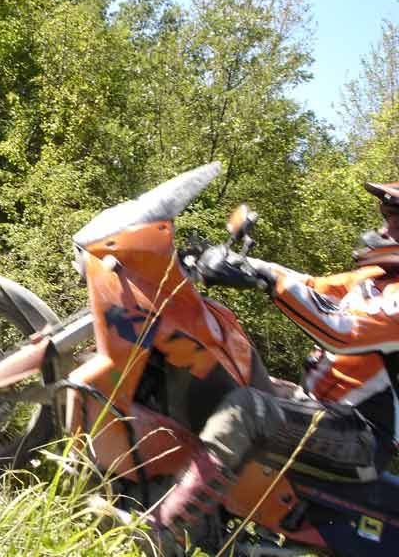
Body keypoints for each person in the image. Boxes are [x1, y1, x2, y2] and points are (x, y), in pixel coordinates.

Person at [143, 180, 399, 556]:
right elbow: (310, 286)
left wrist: (264, 279)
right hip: (324, 410)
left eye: (395, 222)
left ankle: (163, 534)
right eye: (387, 217)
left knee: (247, 410)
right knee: (226, 373)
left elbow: (343, 332)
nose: (384, 229)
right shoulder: (372, 281)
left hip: (360, 436)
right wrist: (241, 264)